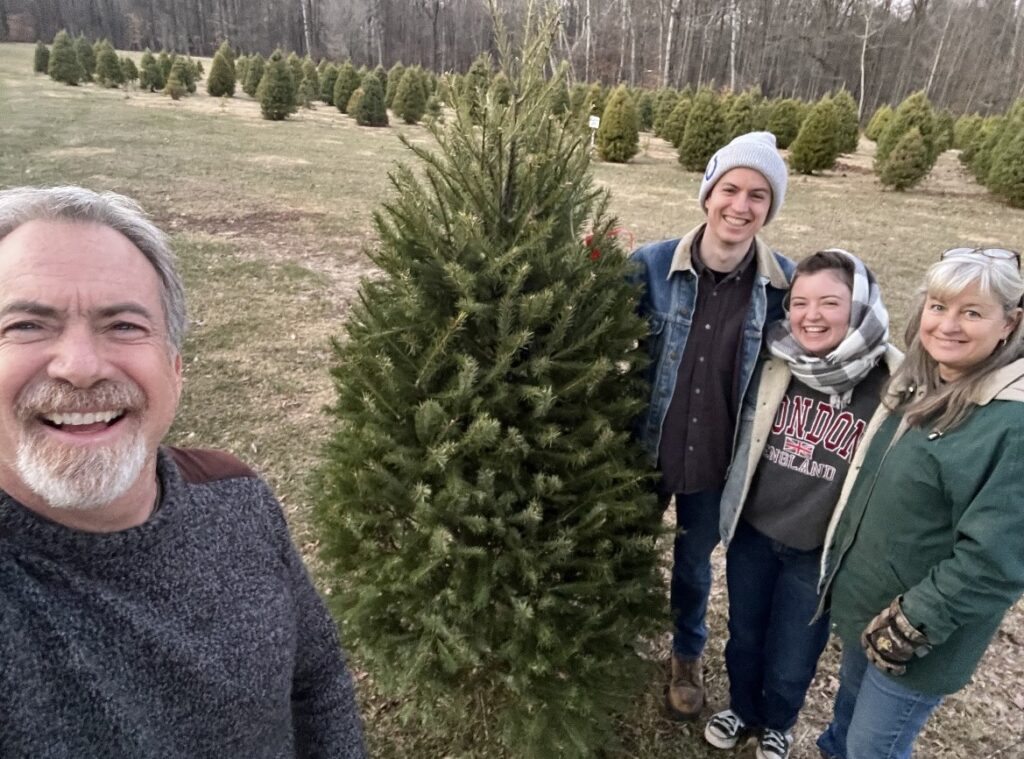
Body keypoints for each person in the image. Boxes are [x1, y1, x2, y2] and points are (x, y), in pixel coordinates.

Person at [0, 186, 367, 758]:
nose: (79, 367)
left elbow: (316, 680)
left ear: (175, 370)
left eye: (122, 325)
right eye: (26, 326)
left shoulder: (235, 496)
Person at [815, 247, 1024, 759]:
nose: (947, 325)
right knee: (844, 729)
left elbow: (996, 560)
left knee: (872, 748)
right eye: (938, 306)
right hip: (867, 616)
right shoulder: (921, 385)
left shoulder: (1010, 425)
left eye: (971, 312)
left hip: (913, 641)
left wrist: (914, 623)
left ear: (1010, 324)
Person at [703, 250, 900, 759]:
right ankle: (742, 708)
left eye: (830, 302)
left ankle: (779, 719)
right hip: (754, 533)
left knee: (794, 652)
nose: (811, 315)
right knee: (745, 634)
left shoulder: (892, 384)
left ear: (858, 308)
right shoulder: (777, 363)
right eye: (800, 302)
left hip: (817, 550)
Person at [629, 131, 794, 719]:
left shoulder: (783, 286)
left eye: (758, 195)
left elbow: (837, 328)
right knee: (622, 549)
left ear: (770, 207)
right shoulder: (649, 265)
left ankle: (686, 654)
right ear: (707, 194)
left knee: (694, 565)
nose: (740, 206)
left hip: (715, 457)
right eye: (730, 189)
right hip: (640, 450)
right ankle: (605, 637)